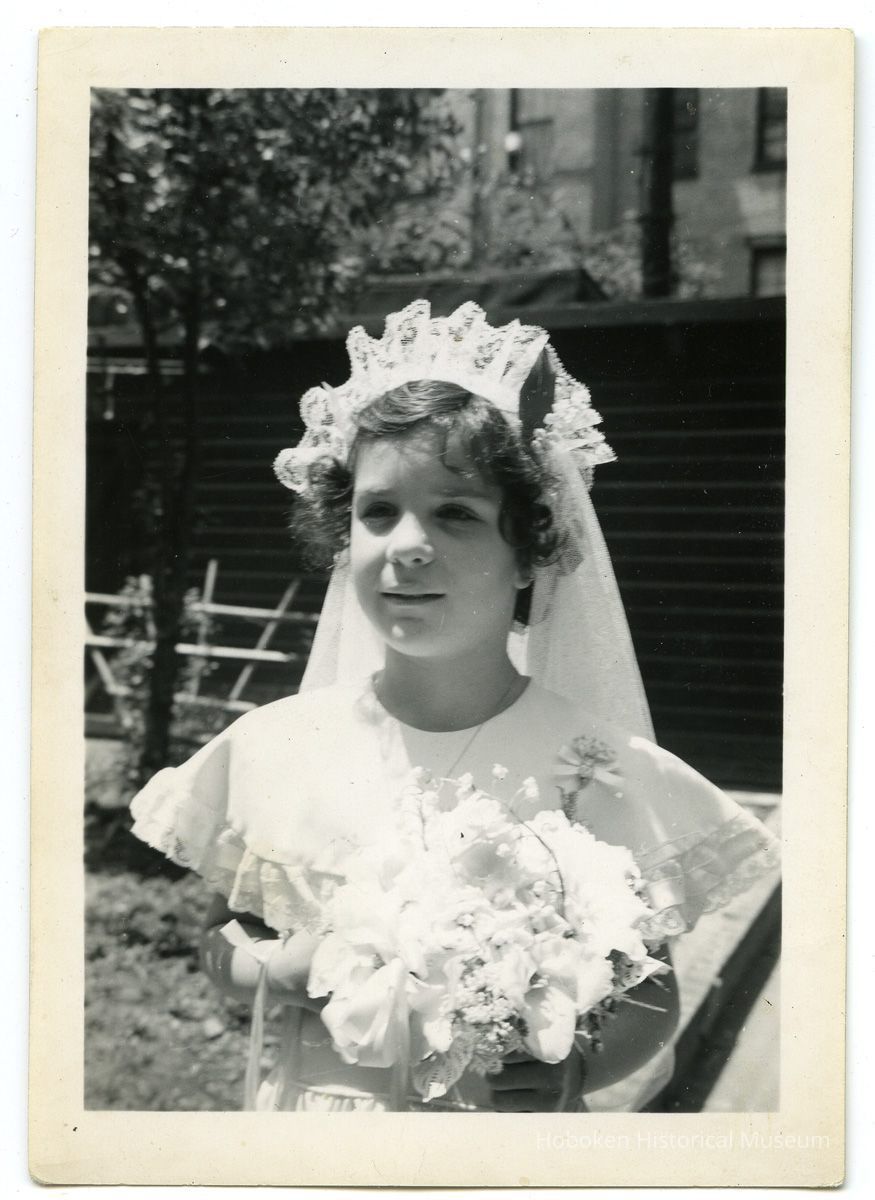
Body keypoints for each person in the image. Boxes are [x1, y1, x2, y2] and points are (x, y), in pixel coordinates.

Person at [129, 299, 780, 1113]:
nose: (407, 545)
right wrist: (279, 969)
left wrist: (576, 1067)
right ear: (344, 534)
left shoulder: (596, 766)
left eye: (455, 514)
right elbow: (221, 945)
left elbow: (652, 997)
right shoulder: (279, 745)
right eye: (377, 512)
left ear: (528, 554)